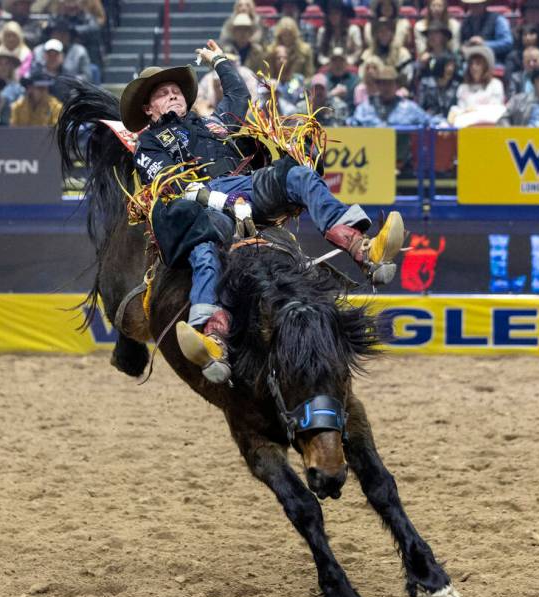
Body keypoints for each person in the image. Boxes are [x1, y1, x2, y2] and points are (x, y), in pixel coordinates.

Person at [123, 42, 405, 381]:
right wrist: (225, 204)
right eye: (162, 93)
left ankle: (362, 248)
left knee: (298, 174)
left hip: (243, 188)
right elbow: (172, 187)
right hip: (199, 208)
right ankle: (212, 336)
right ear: (148, 108)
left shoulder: (214, 124)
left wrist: (221, 61)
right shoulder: (149, 144)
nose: (173, 95)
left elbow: (239, 96)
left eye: (176, 91)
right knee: (205, 242)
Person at [349, 62, 433, 126]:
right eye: (383, 83)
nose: (386, 87)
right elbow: (352, 123)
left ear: (397, 86)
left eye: (390, 83)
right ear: (378, 86)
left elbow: (430, 120)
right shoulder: (366, 107)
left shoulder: (408, 107)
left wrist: (442, 125)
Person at [447, 43, 505, 126]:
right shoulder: (463, 88)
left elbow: (496, 110)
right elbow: (460, 112)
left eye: (478, 64)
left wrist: (474, 109)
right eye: (471, 64)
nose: (474, 67)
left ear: (486, 66)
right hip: (467, 130)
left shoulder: (496, 85)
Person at [360, 18, 413, 85]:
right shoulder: (367, 54)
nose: (384, 34)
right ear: (376, 34)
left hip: (395, 89)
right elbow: (361, 75)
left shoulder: (403, 53)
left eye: (387, 31)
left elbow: (407, 76)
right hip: (372, 89)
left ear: (392, 33)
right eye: (381, 31)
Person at [315, 0, 362, 67]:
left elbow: (358, 51)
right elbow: (320, 52)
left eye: (336, 13)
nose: (333, 16)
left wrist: (348, 62)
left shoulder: (353, 30)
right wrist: (327, 62)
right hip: (327, 66)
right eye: (330, 13)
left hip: (349, 66)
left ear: (342, 15)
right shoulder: (322, 31)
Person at [417, 54, 460, 120]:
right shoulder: (425, 84)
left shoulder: (455, 86)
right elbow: (420, 107)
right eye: (448, 65)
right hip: (429, 123)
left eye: (452, 66)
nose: (450, 69)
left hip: (448, 123)